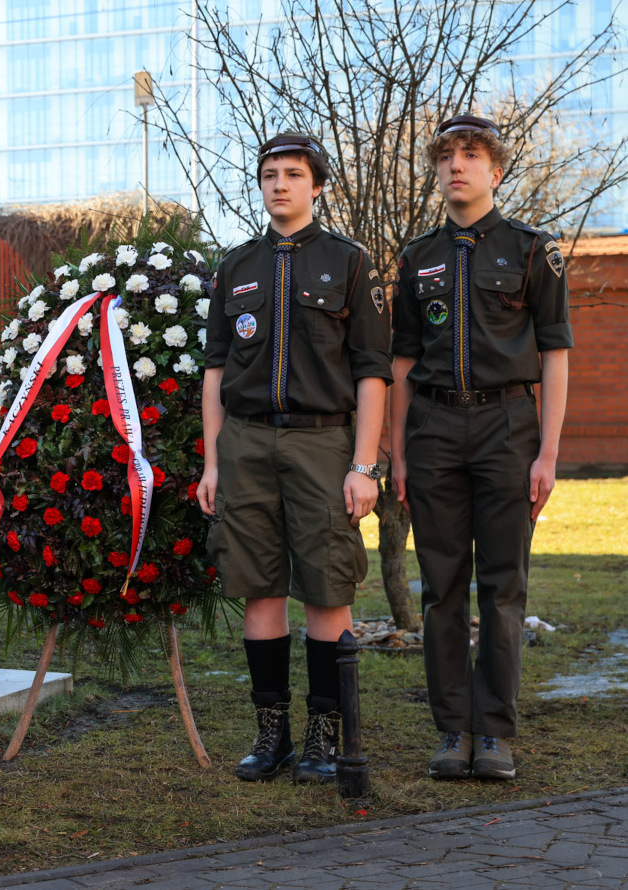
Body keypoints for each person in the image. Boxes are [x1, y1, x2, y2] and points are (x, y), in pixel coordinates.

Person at [199, 133, 391, 785]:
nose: (279, 184)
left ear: (317, 186)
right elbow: (216, 369)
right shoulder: (236, 265)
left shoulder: (349, 262)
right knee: (258, 587)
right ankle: (272, 733)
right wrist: (213, 462)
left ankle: (323, 735)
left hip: (322, 444)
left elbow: (372, 371)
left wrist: (363, 465)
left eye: (293, 174)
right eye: (269, 175)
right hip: (247, 443)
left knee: (326, 588)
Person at [390, 114, 571, 782]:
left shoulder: (533, 251)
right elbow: (402, 360)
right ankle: (453, 729)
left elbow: (555, 354)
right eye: (445, 157)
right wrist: (398, 454)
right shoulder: (416, 257)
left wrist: (547, 454)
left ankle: (493, 731)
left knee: (503, 586)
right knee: (441, 588)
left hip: (508, 427)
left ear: (495, 171)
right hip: (433, 429)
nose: (456, 166)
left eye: (470, 155)